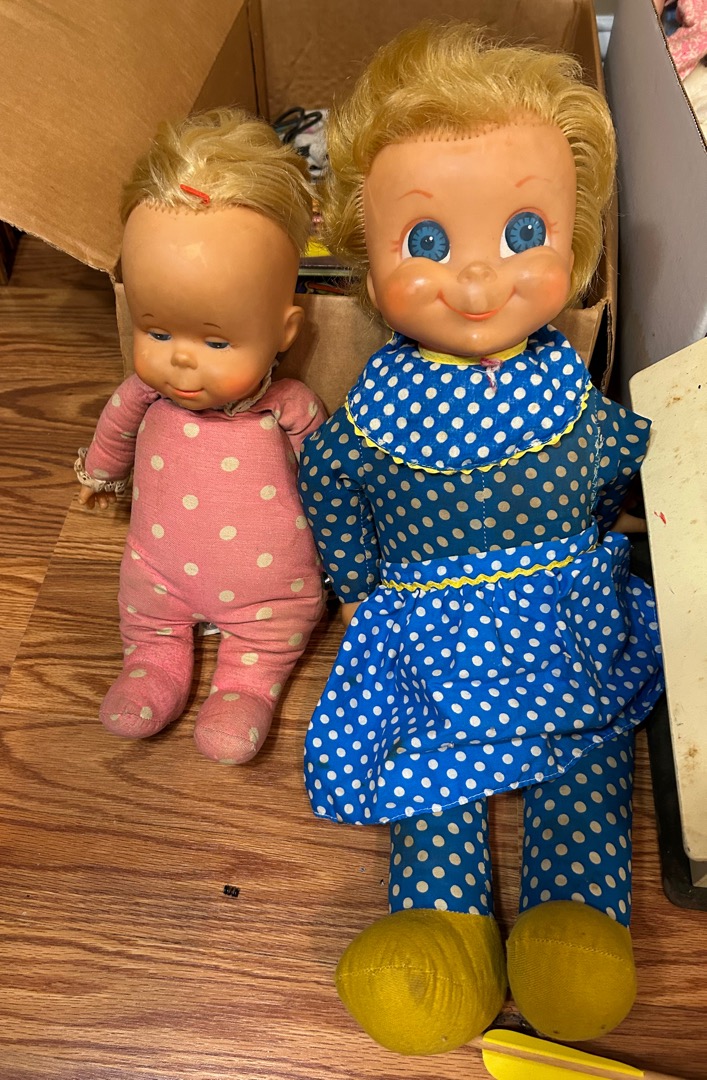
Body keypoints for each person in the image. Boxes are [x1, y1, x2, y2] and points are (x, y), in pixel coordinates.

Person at [298, 22, 664, 1055]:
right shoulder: (377, 405)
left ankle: (574, 918)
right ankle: (439, 930)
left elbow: (611, 457)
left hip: (558, 607)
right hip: (427, 616)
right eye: (424, 243)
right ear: (365, 254)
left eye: (521, 233)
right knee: (428, 761)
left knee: (583, 749)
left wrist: (617, 519)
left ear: (573, 240)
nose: (474, 280)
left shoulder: (561, 381)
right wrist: (360, 587)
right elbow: (330, 482)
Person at [75, 108, 325, 764]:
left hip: (269, 587)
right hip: (157, 566)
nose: (181, 359)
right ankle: (152, 660)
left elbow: (329, 476)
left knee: (271, 633)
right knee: (146, 606)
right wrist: (100, 475)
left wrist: (346, 531)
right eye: (156, 331)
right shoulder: (143, 394)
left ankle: (248, 684)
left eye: (216, 342)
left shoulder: (289, 408)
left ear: (285, 331)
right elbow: (114, 429)